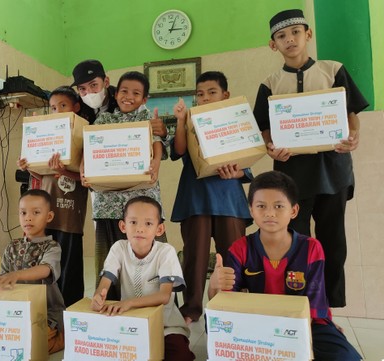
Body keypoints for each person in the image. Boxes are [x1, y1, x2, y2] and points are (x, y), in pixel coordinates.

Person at [252, 9, 369, 308]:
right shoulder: (270, 82)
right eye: (281, 36)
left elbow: (350, 113)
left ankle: (328, 309)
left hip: (333, 171)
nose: (289, 40)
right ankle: (298, 305)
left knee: (333, 242)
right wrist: (270, 147)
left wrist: (353, 136)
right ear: (272, 44)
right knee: (295, 242)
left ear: (308, 34)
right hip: (291, 177)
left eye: (294, 32)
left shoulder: (333, 70)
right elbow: (264, 128)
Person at [208, 170, 362, 360]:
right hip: (256, 323)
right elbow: (225, 306)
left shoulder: (311, 248)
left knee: (345, 357)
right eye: (261, 206)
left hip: (304, 323)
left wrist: (316, 334)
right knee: (215, 329)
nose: (270, 213)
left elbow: (315, 304)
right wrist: (214, 286)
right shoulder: (240, 249)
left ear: (294, 210)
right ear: (251, 210)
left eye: (279, 206)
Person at [170, 71, 252, 324]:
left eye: (211, 92)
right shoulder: (191, 122)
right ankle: (192, 308)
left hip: (229, 200)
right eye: (200, 94)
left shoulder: (236, 120)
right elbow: (179, 151)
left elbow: (247, 160)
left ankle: (232, 304)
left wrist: (236, 171)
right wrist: (182, 120)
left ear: (225, 95)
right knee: (194, 256)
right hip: (196, 199)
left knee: (233, 256)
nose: (205, 98)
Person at [80, 71, 166, 300]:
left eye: (136, 93)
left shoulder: (148, 118)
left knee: (151, 260)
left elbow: (156, 143)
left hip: (142, 201)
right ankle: (106, 302)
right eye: (124, 91)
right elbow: (89, 147)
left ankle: (158, 311)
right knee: (108, 258)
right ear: (116, 94)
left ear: (144, 99)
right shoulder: (104, 119)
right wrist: (83, 169)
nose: (129, 96)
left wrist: (156, 163)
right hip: (108, 203)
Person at [92, 196, 195, 361]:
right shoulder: (118, 248)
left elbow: (164, 296)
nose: (140, 229)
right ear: (123, 226)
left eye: (148, 224)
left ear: (159, 229)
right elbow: (105, 281)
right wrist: (98, 295)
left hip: (165, 325)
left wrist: (129, 303)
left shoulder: (165, 252)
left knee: (179, 354)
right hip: (130, 323)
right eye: (133, 222)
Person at [17, 86, 88, 307]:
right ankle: (46, 309)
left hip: (69, 213)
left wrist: (64, 171)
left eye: (63, 106)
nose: (58, 110)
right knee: (46, 261)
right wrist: (28, 166)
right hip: (46, 214)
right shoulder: (48, 133)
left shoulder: (83, 134)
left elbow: (86, 176)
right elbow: (41, 171)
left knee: (69, 264)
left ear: (76, 107)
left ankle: (70, 309)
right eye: (54, 107)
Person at [0, 189, 66, 354]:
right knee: (3, 339)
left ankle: (61, 337)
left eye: (36, 212)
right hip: (16, 313)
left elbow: (45, 270)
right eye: (23, 212)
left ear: (48, 217)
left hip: (47, 313)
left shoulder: (52, 247)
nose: (28, 217)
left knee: (35, 343)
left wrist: (16, 274)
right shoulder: (12, 246)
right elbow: (4, 278)